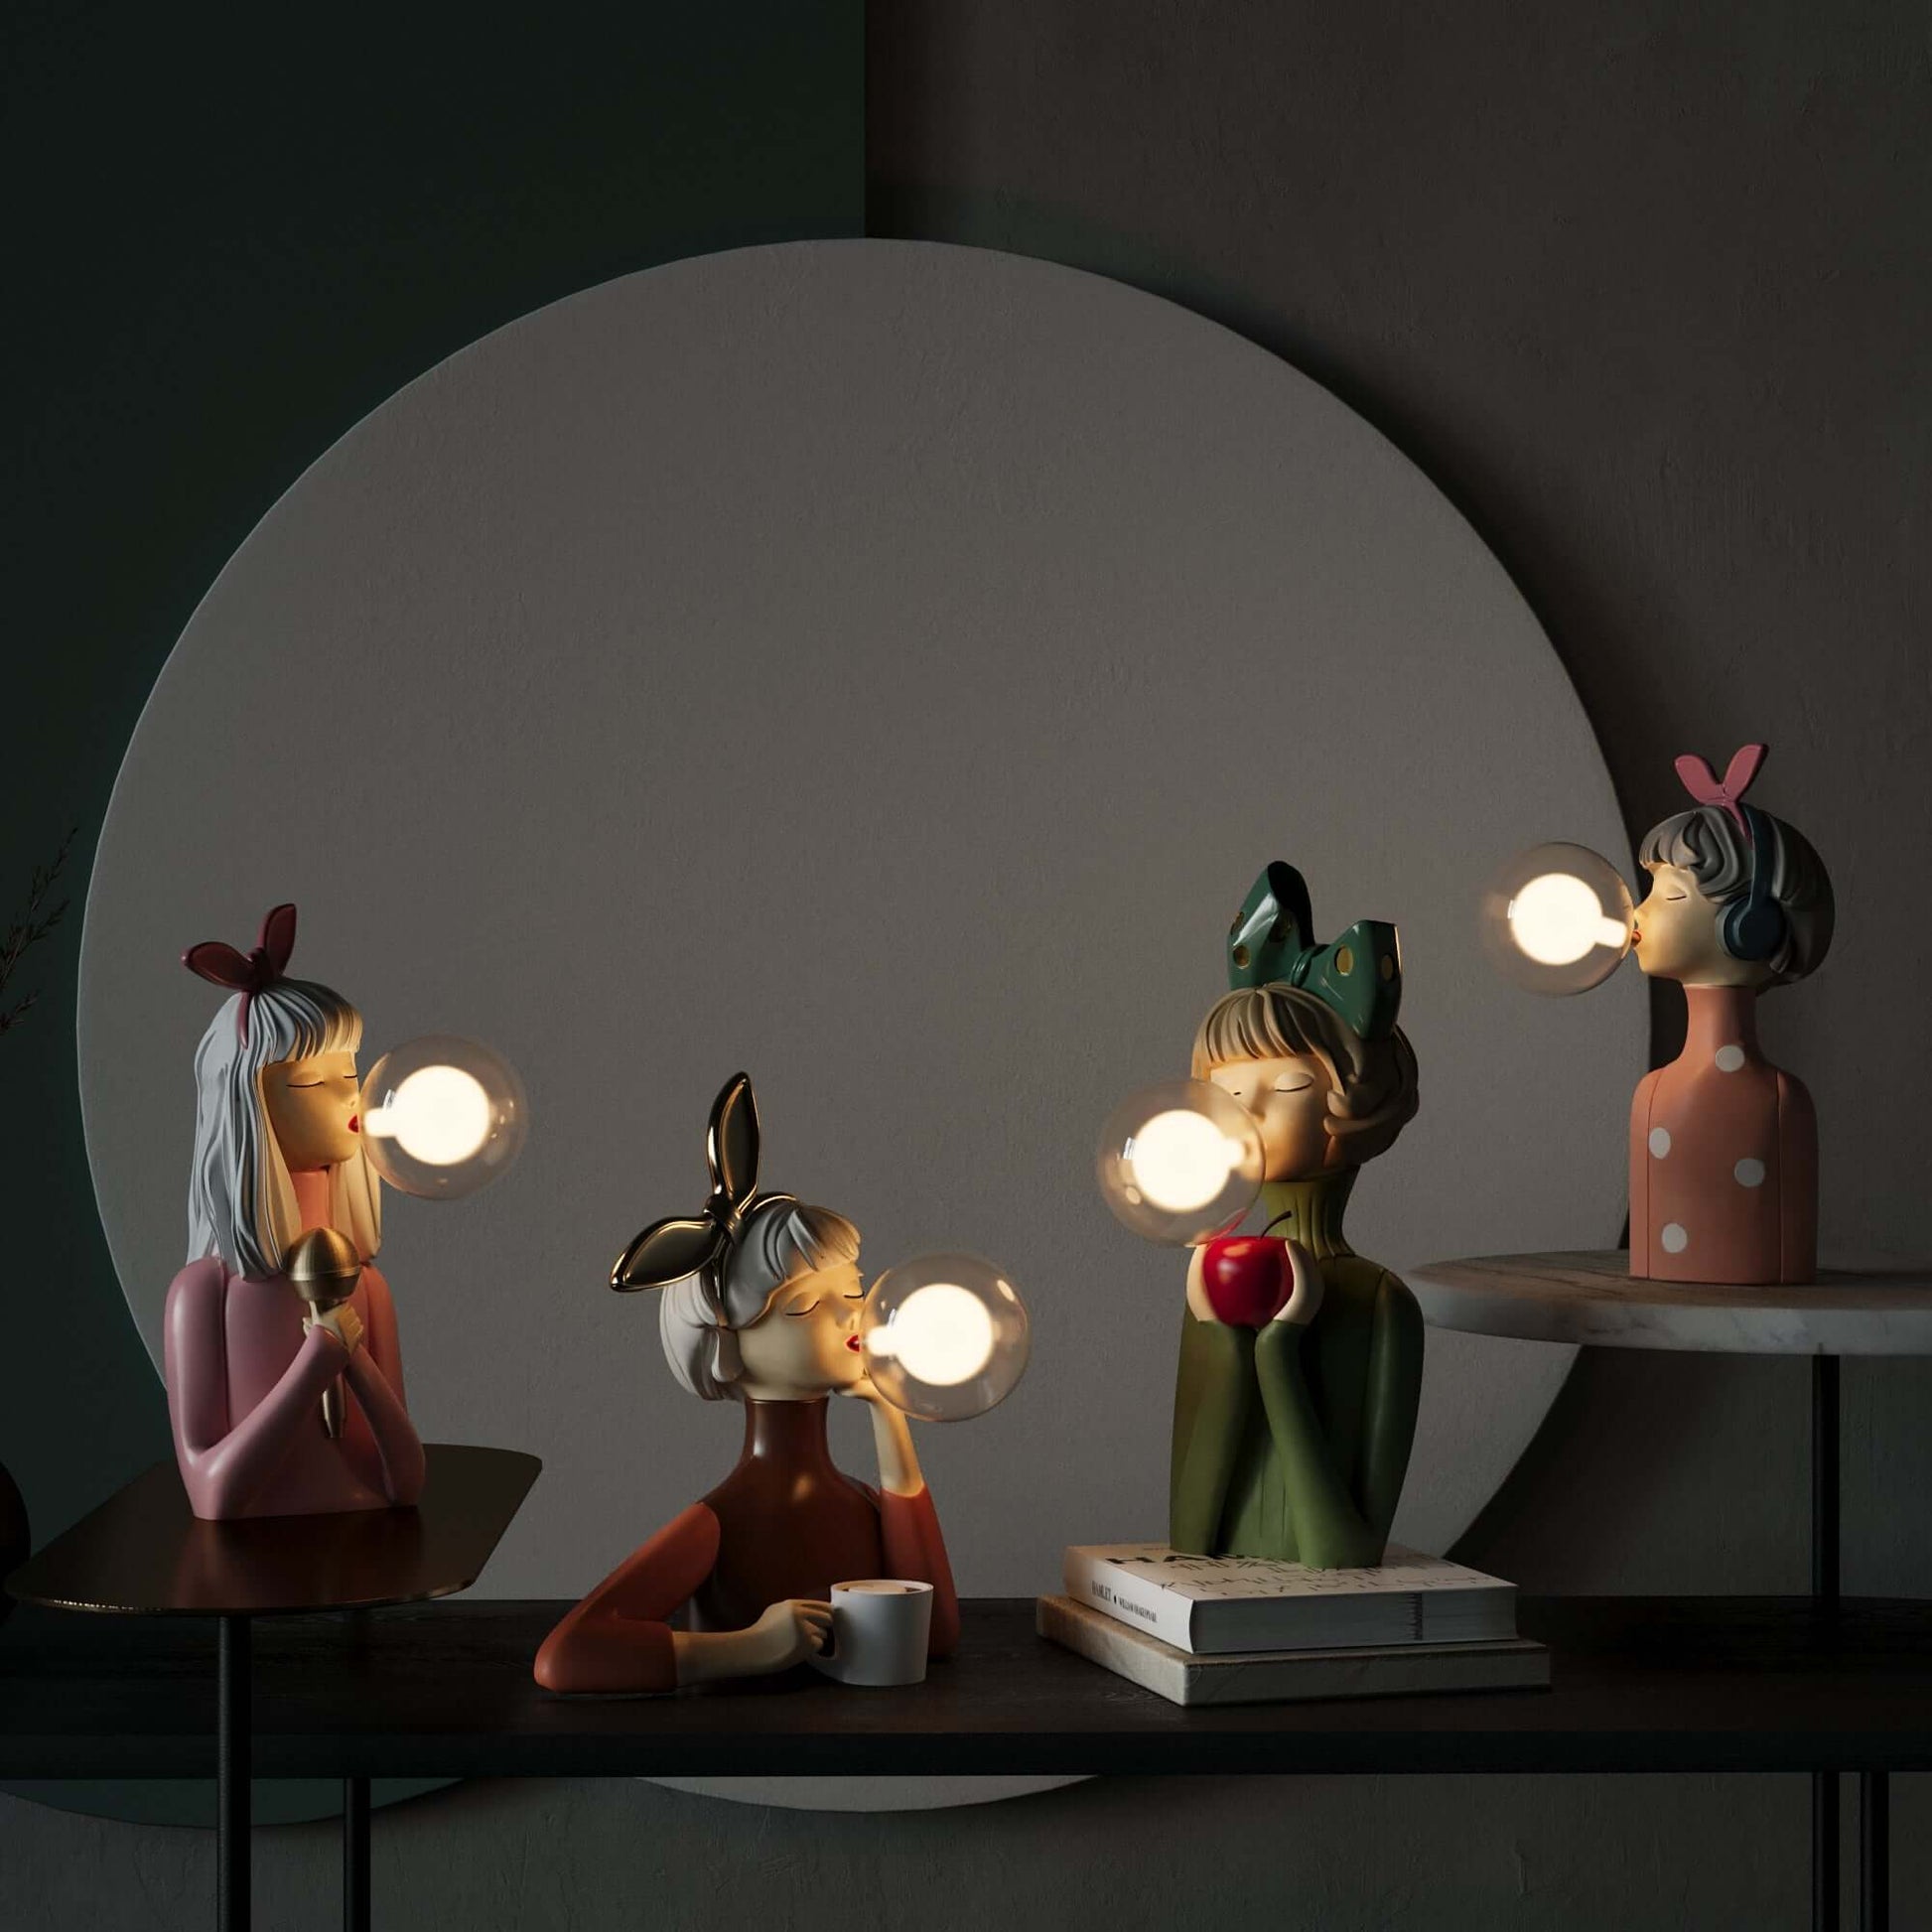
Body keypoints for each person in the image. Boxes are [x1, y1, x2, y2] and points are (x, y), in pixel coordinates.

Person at [534, 1079, 958, 1693]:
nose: (853, 1315)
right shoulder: (725, 1520)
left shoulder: (861, 1505)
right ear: (729, 1343)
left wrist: (888, 1412)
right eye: (807, 1305)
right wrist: (748, 1648)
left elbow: (934, 1636)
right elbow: (565, 1658)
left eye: (854, 1292)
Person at [1170, 863, 1422, 1567]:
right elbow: (1188, 1538)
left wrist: (1279, 1352)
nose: (1245, 1111)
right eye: (1227, 1092)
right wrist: (1226, 1342)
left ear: (1356, 1104)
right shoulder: (1211, 1285)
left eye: (1284, 1085)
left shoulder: (1381, 1303)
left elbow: (1346, 1550)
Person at [166, 902, 424, 1519]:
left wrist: (354, 1360)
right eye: (312, 1083)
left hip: (368, 1550)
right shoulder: (203, 1296)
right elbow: (212, 1494)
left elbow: (407, 1483)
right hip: (252, 1560)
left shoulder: (368, 1288)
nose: (350, 1099)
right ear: (247, 1103)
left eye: (349, 1076)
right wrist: (317, 1363)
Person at [1627, 745, 1834, 1283]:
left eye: (1669, 896)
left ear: (1749, 925)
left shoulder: (1780, 1100)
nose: (1638, 912)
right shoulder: (1652, 1094)